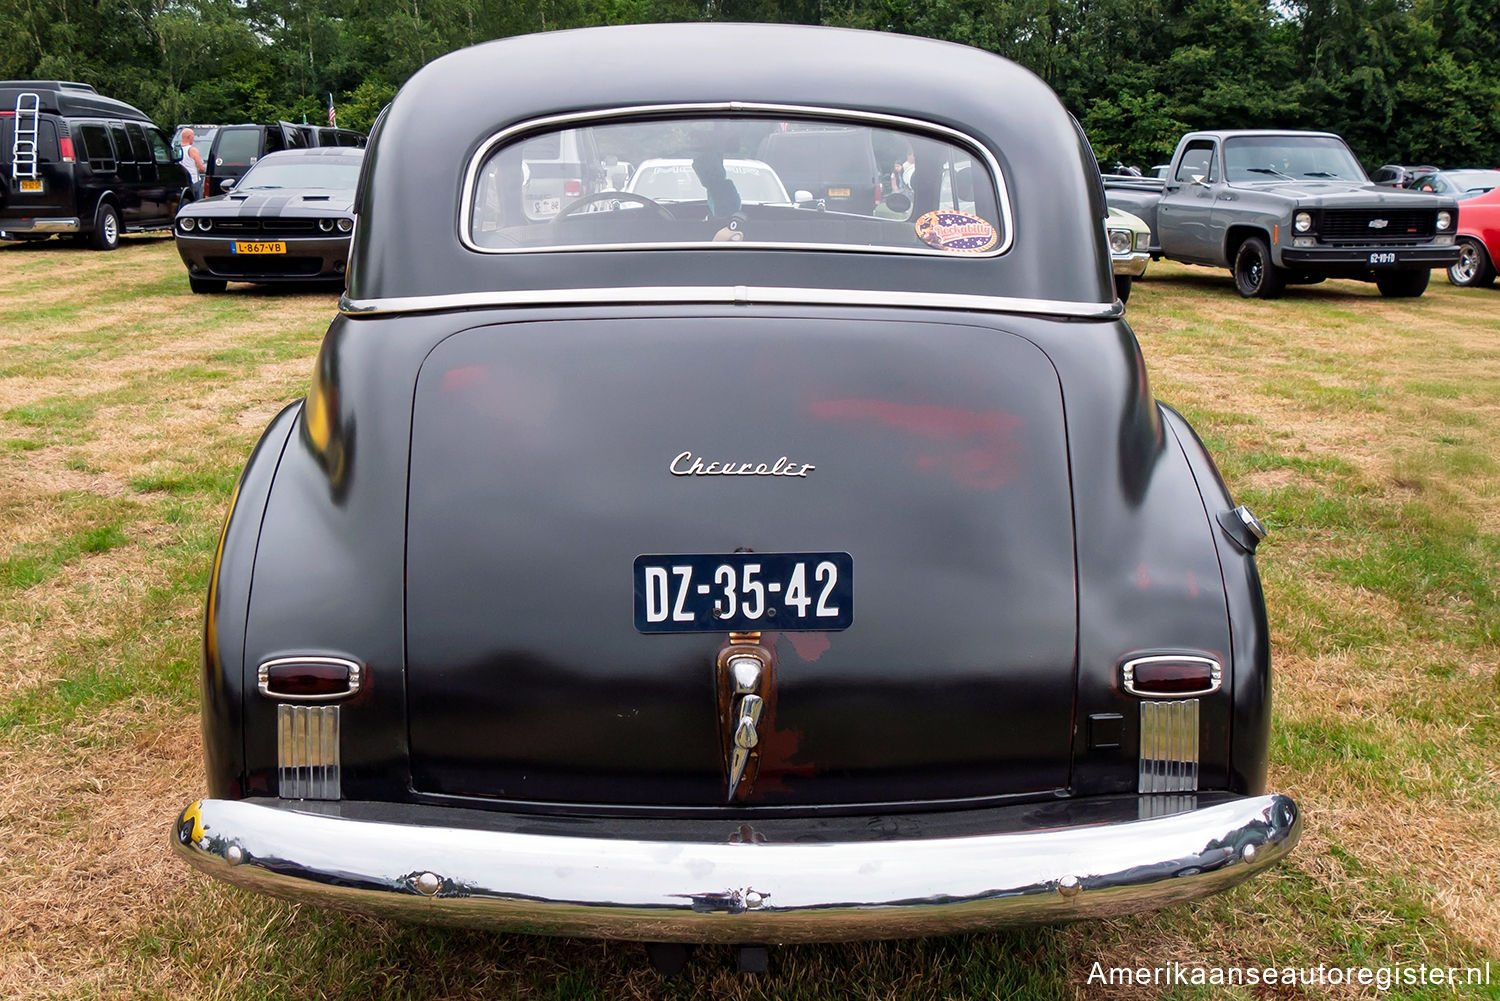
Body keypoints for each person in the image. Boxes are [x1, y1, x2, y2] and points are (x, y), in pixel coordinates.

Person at [179, 128, 207, 199]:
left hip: (182, 181)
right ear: (189, 137)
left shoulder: (176, 149)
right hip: (194, 180)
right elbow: (201, 168)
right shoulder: (192, 150)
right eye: (193, 136)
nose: (193, 139)